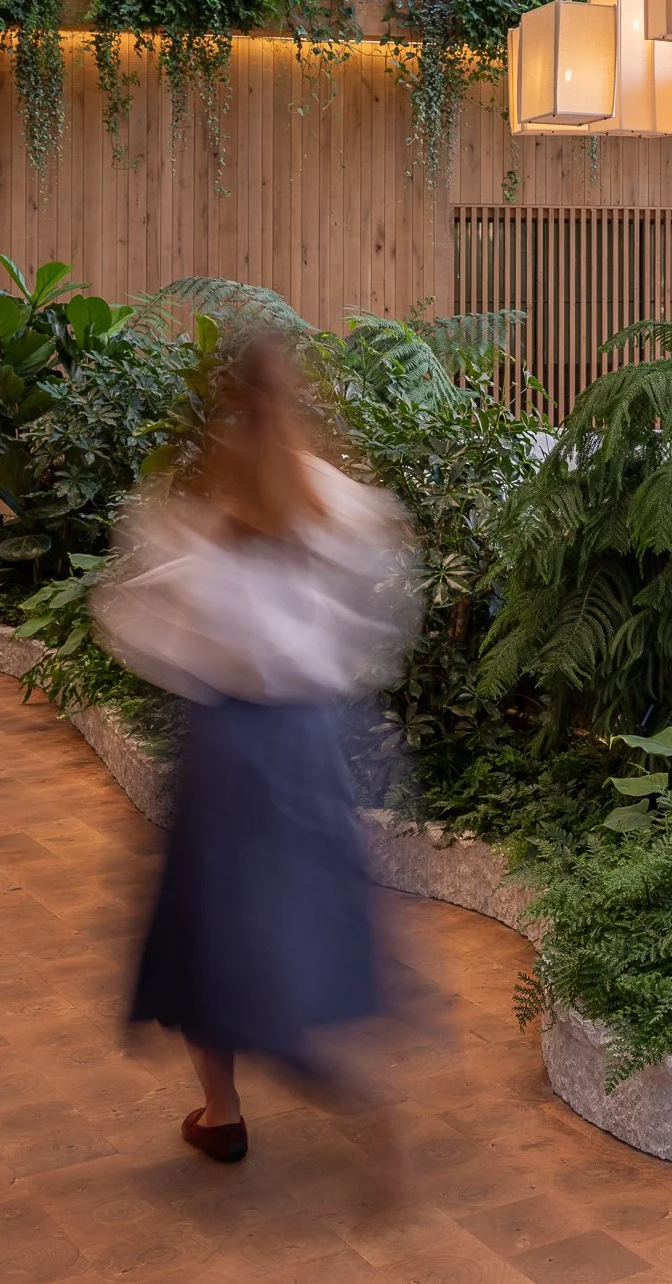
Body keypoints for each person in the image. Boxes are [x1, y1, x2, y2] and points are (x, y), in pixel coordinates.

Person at [94, 333, 419, 1164]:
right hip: (311, 736)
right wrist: (338, 672)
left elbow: (127, 623)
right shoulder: (337, 501)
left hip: (229, 743)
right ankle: (323, 1063)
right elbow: (385, 603)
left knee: (208, 935)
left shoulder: (196, 511)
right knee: (303, 916)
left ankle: (225, 1109)